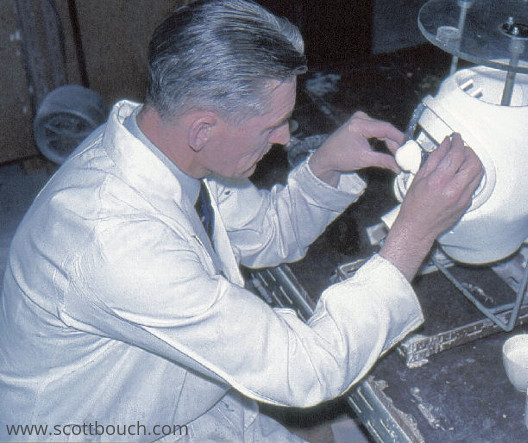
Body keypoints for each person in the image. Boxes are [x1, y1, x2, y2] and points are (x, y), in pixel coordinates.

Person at [0, 0, 483, 441]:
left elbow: (264, 234)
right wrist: (412, 235)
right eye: (271, 126)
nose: (283, 139)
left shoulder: (162, 143)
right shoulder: (117, 243)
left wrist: (326, 168)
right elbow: (305, 369)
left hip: (157, 389)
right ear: (203, 128)